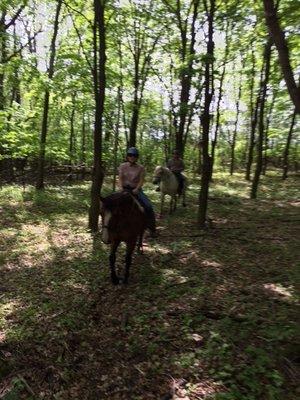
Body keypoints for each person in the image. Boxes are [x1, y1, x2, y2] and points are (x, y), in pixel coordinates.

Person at [118, 147, 157, 238]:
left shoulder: (141, 168)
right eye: (130, 155)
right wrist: (120, 188)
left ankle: (152, 229)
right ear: (127, 156)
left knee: (148, 206)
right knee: (110, 203)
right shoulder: (122, 166)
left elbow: (141, 180)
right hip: (124, 189)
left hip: (135, 190)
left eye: (134, 155)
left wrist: (137, 189)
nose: (132, 157)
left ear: (137, 157)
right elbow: (120, 178)